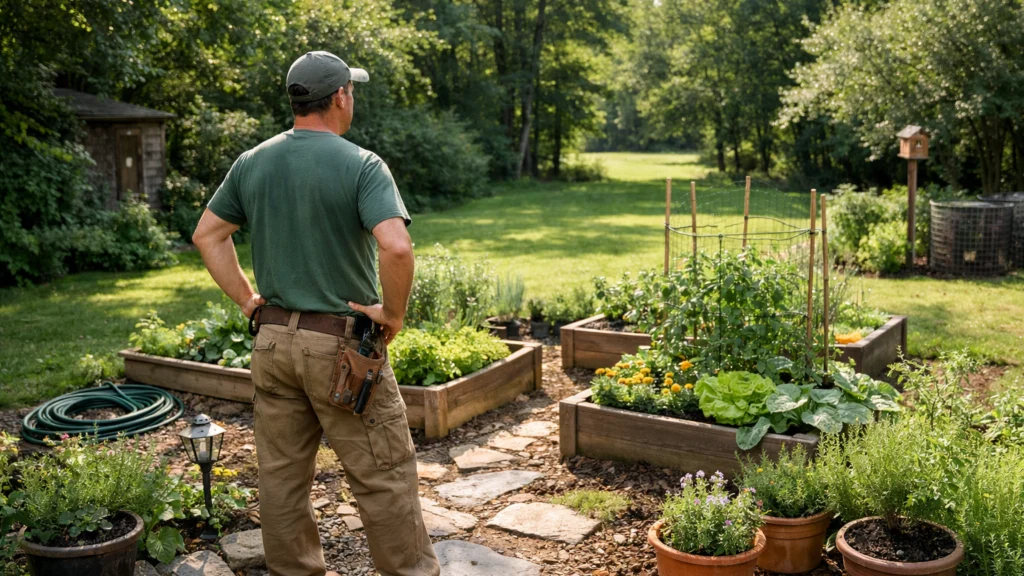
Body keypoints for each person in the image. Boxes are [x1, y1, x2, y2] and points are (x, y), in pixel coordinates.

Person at [192, 50, 440, 576]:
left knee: (282, 480)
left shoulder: (253, 161)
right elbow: (396, 248)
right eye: (353, 92)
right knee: (384, 474)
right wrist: (392, 314)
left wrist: (246, 299)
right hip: (343, 352)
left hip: (273, 343)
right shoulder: (362, 164)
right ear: (341, 97)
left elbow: (207, 234)